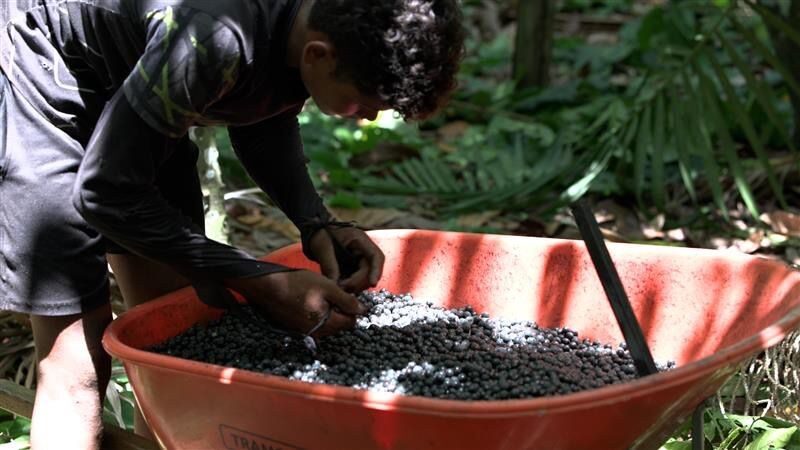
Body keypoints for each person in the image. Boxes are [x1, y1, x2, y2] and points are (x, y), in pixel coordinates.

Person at [0, 0, 465, 448]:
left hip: (142, 86)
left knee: (170, 338)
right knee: (77, 365)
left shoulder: (306, 21)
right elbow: (105, 192)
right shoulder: (213, 38)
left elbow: (263, 114)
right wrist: (259, 280)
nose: (368, 116)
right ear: (318, 55)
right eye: (366, 102)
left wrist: (317, 223)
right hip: (47, 69)